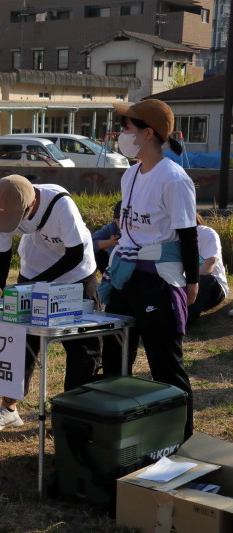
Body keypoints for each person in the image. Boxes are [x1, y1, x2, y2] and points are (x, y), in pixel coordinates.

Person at [100, 99, 198, 441]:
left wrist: (193, 282)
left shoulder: (173, 178)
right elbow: (128, 231)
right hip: (126, 278)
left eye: (126, 128)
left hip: (159, 280)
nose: (120, 135)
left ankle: (182, 441)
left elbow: (188, 233)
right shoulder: (129, 175)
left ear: (147, 133)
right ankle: (119, 437)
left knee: (165, 366)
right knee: (113, 360)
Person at [0, 175, 100, 433]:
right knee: (20, 343)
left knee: (83, 349)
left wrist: (37, 286)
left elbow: (75, 253)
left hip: (76, 276)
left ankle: (73, 413)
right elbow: (2, 253)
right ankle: (9, 409)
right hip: (32, 272)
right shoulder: (4, 207)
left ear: (31, 204)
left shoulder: (60, 204)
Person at [188, 213, 227, 326]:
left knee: (206, 280)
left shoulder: (206, 233)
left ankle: (183, 320)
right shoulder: (169, 236)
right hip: (184, 284)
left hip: (212, 286)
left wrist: (187, 281)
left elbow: (208, 267)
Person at [91, 201, 122, 274]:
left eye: (124, 218)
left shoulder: (138, 228)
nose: (121, 222)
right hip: (113, 264)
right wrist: (109, 243)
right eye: (118, 219)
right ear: (114, 219)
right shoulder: (111, 227)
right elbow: (90, 242)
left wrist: (110, 248)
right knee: (98, 253)